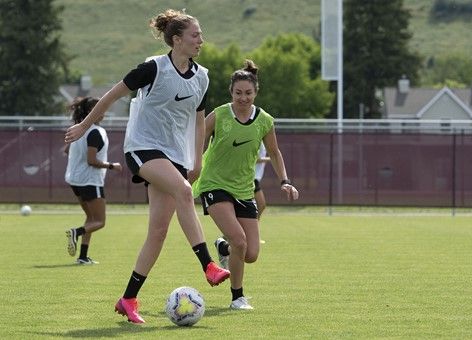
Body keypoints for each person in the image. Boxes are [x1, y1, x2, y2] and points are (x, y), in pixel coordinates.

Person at [64, 9, 229, 324]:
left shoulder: (202, 76)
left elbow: (198, 120)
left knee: (158, 231)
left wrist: (197, 159)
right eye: (195, 35)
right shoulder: (153, 68)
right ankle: (208, 264)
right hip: (142, 148)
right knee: (183, 191)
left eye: (200, 34)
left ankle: (128, 299)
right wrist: (84, 125)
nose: (201, 40)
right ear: (177, 39)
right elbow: (112, 95)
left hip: (175, 156)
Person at [194, 60, 299, 310]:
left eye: (248, 93)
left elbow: (274, 152)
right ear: (231, 92)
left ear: (256, 92)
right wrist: (189, 168)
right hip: (214, 183)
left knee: (250, 254)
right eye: (238, 93)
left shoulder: (265, 120)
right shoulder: (218, 115)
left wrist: (285, 180)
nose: (243, 98)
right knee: (240, 242)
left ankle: (223, 247)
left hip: (244, 188)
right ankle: (237, 297)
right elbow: (197, 138)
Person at [64, 97, 123, 265]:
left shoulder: (77, 129)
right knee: (100, 222)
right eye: (100, 109)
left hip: (74, 180)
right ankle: (76, 232)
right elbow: (91, 161)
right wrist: (112, 165)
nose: (103, 112)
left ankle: (83, 256)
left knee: (91, 218)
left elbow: (67, 150)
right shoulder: (95, 132)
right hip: (90, 181)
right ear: (92, 112)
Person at [254, 142, 270, 219]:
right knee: (261, 204)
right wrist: (271, 159)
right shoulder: (257, 140)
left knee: (260, 205)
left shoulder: (262, 142)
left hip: (255, 178)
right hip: (251, 178)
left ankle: (252, 225)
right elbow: (255, 159)